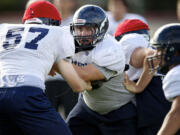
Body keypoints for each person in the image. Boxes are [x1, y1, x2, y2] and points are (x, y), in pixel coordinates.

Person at [0, 1, 92, 135]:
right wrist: (87, 85)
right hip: (27, 94)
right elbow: (77, 85)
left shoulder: (4, 28)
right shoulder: (57, 32)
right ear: (52, 22)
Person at [65, 5, 137, 135]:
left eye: (89, 29)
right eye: (80, 28)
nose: (83, 34)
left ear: (101, 29)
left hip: (117, 111)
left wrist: (57, 61)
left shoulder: (110, 50)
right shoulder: (69, 40)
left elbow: (83, 74)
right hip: (88, 107)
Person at [114, 19, 171, 135]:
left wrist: (138, 86)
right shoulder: (151, 43)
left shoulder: (129, 40)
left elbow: (152, 56)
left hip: (153, 99)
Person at [45, 0, 79, 118]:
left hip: (70, 80)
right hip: (48, 79)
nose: (63, 3)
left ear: (72, 3)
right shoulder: (45, 22)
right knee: (46, 122)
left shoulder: (77, 24)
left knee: (72, 121)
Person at [146, 23, 180, 135]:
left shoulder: (176, 73)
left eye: (160, 50)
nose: (156, 54)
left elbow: (177, 113)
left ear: (173, 51)